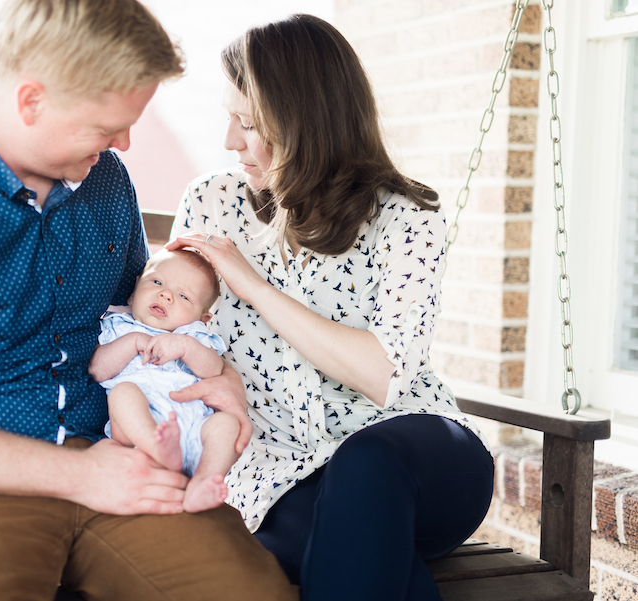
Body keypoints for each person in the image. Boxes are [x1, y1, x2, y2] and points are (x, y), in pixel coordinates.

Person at [0, 1, 297, 599]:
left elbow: (142, 317)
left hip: (119, 452)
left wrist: (223, 383)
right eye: (108, 126)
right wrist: (80, 476)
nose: (125, 144)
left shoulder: (104, 178)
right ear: (31, 100)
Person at [167, 14, 495, 601]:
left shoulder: (406, 221)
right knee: (332, 543)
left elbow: (383, 375)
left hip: (414, 458)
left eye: (249, 123)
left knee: (364, 468)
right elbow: (168, 319)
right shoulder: (213, 202)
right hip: (280, 474)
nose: (230, 142)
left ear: (304, 123)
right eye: (229, 119)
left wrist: (256, 289)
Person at [89, 249, 242, 513]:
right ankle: (159, 451)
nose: (166, 294)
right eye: (157, 282)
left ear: (202, 319)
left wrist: (186, 346)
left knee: (226, 424)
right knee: (123, 393)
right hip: (139, 430)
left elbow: (215, 370)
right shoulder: (118, 326)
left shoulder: (193, 336)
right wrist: (132, 342)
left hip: (194, 429)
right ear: (134, 290)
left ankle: (203, 480)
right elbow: (97, 370)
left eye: (183, 296)